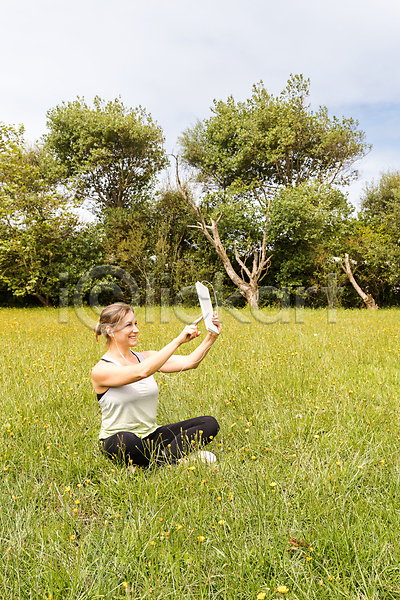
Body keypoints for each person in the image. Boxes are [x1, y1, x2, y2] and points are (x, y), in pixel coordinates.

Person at [91, 302, 221, 467]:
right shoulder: (102, 370)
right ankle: (173, 459)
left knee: (208, 424)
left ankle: (158, 461)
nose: (136, 330)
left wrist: (211, 337)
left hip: (151, 436)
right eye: (128, 325)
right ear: (110, 330)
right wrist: (177, 341)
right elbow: (142, 372)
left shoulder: (146, 357)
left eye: (135, 323)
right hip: (116, 440)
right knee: (128, 441)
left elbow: (190, 362)